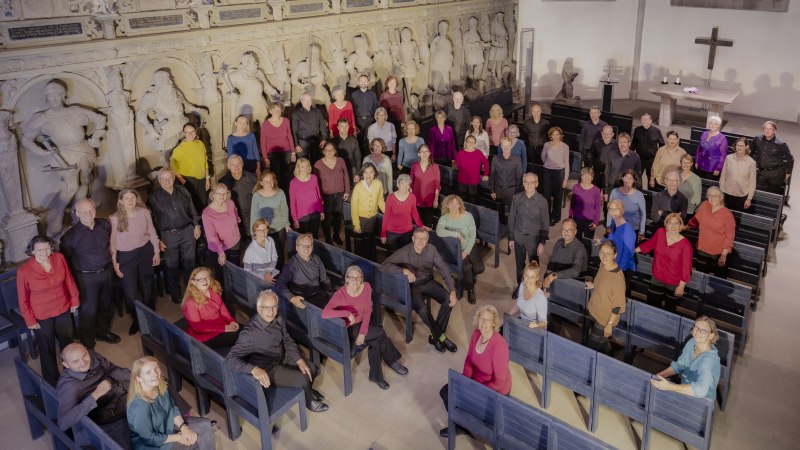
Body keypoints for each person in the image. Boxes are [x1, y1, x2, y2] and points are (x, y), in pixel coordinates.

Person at [225, 290, 329, 412]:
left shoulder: (278, 317)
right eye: (266, 307)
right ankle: (309, 402)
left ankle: (307, 390)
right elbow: (230, 359)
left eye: (274, 306)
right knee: (304, 378)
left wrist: (299, 361)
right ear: (259, 309)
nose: (271, 311)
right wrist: (253, 369)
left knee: (312, 368)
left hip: (281, 356)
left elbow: (287, 340)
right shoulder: (249, 333)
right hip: (267, 368)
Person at [323, 266, 408, 390]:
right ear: (347, 279)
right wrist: (347, 314)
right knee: (380, 333)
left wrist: (363, 333)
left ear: (362, 278)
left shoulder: (367, 287)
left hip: (364, 323)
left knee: (376, 341)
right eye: (352, 277)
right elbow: (325, 313)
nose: (355, 280)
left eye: (358, 277)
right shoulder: (340, 294)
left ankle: (375, 376)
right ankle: (391, 361)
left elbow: (368, 310)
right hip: (351, 328)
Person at [438, 305, 511, 438]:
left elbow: (499, 383)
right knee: (446, 391)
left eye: (488, 320)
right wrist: (464, 382)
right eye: (481, 318)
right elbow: (469, 361)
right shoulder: (476, 334)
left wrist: (476, 390)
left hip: (495, 391)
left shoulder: (499, 346)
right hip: (476, 382)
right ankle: (461, 426)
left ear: (494, 323)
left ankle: (464, 425)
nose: (483, 323)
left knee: (466, 402)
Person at [383, 228, 459, 353]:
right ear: (413, 238)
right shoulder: (404, 251)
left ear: (427, 239)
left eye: (424, 238)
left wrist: (452, 291)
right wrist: (404, 271)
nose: (420, 241)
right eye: (418, 238)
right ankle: (442, 337)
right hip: (412, 286)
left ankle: (435, 337)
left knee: (448, 299)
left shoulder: (432, 249)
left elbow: (444, 269)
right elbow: (385, 265)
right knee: (423, 309)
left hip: (428, 282)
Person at [18, 235, 79, 385]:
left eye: (46, 248)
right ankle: (53, 382)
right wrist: (30, 320)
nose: (44, 252)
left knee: (68, 344)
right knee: (47, 349)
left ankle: (71, 376)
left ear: (51, 248)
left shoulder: (59, 258)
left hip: (62, 308)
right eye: (39, 249)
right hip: (42, 315)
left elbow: (69, 280)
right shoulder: (24, 271)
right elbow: (23, 299)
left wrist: (74, 299)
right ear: (32, 251)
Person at [60, 199, 119, 349]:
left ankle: (103, 332)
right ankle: (88, 342)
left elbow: (111, 245)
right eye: (83, 212)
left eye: (91, 210)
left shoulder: (104, 225)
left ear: (95, 209)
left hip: (106, 271)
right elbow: (66, 263)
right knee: (89, 311)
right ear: (77, 214)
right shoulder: (70, 237)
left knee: (107, 305)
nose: (88, 214)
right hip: (86, 277)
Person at [127, 357, 215, 449]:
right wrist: (179, 437)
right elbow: (149, 438)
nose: (155, 374)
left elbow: (172, 409)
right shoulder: (139, 407)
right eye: (148, 372)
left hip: (168, 427)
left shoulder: (159, 385)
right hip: (154, 444)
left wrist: (184, 428)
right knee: (193, 442)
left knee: (205, 425)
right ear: (138, 379)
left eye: (156, 368)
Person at [57, 343, 131, 449]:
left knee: (158, 397)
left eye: (84, 355)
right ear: (66, 365)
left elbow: (112, 369)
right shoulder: (70, 386)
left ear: (86, 350)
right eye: (75, 361)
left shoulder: (92, 355)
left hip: (121, 394)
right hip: (109, 416)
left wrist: (136, 376)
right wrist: (95, 395)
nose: (83, 362)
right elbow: (63, 423)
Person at [149, 168, 202, 305]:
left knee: (190, 264)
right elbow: (152, 221)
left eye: (169, 178)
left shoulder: (183, 191)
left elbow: (192, 208)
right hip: (168, 235)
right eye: (163, 179)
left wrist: (197, 225)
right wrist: (158, 239)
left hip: (187, 232)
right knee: (172, 266)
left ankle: (192, 291)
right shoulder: (154, 197)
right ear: (159, 181)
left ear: (173, 178)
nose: (167, 181)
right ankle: (175, 293)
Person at [110, 190, 160, 336]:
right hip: (126, 256)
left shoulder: (144, 212)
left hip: (145, 251)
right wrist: (115, 261)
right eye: (127, 198)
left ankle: (150, 318)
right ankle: (138, 320)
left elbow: (152, 231)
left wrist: (156, 251)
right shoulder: (114, 218)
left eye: (133, 197)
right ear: (121, 201)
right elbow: (112, 242)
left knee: (147, 287)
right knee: (130, 292)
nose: (130, 200)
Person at [651, 316, 721, 400]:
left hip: (701, 401)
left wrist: (670, 387)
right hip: (683, 389)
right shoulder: (692, 343)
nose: (698, 332)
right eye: (697, 327)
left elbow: (701, 391)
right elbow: (679, 366)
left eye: (703, 330)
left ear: (711, 335)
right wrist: (658, 376)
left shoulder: (709, 361)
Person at [636, 213, 693, 313]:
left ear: (680, 226)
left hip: (674, 282)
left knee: (669, 311)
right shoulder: (660, 233)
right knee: (651, 307)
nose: (673, 226)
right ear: (666, 225)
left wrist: (681, 286)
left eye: (676, 223)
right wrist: (632, 251)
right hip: (657, 277)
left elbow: (686, 268)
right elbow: (649, 245)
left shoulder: (686, 245)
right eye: (670, 223)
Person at [508, 173, 550, 299]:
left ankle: (533, 289)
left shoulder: (542, 201)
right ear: (523, 182)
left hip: (534, 239)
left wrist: (542, 242)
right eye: (526, 182)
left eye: (532, 182)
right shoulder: (517, 198)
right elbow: (512, 218)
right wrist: (511, 238)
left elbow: (545, 223)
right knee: (519, 264)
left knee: (533, 266)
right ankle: (520, 287)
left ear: (537, 184)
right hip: (518, 237)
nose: (529, 185)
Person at [437, 195, 483, 304]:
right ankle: (470, 289)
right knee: (467, 268)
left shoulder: (468, 216)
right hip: (455, 250)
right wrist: (456, 233)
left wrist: (466, 251)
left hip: (469, 245)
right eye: (451, 204)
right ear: (447, 205)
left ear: (460, 204)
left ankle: (468, 278)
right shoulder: (444, 218)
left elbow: (473, 235)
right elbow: (439, 231)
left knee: (480, 268)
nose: (454, 206)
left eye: (456, 203)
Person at [182, 267, 240, 350]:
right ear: (193, 282)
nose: (205, 281)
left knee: (246, 332)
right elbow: (198, 328)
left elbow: (223, 310)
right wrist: (224, 328)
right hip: (205, 335)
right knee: (243, 336)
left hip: (220, 324)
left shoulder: (213, 290)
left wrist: (231, 321)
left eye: (206, 277)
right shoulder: (190, 302)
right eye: (200, 279)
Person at [585, 240, 626, 355]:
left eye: (608, 254)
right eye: (602, 252)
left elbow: (617, 306)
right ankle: (608, 352)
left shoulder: (617, 278)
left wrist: (609, 324)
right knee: (598, 343)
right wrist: (594, 285)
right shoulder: (603, 265)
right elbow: (603, 284)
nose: (604, 256)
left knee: (590, 347)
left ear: (615, 255)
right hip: (594, 310)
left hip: (605, 319)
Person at [276, 233, 335, 310]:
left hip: (318, 294)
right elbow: (280, 284)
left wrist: (331, 295)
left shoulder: (316, 259)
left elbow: (324, 279)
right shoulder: (291, 265)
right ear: (297, 248)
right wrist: (292, 298)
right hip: (303, 300)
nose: (307, 248)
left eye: (309, 245)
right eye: (303, 246)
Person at [687, 187, 735, 278]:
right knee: (701, 275)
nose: (712, 198)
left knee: (717, 279)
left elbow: (730, 237)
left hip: (718, 252)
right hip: (702, 248)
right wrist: (686, 227)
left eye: (715, 196)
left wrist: (723, 255)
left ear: (721, 197)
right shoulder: (705, 205)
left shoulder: (727, 214)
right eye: (709, 196)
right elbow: (695, 219)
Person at [250, 171, 290, 270]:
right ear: (261, 182)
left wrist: (286, 224)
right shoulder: (256, 196)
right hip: (263, 231)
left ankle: (279, 273)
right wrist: (253, 234)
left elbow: (284, 210)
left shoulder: (280, 193)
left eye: (271, 181)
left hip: (278, 229)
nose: (269, 183)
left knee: (279, 253)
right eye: (266, 181)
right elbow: (254, 215)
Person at [202, 183, 242, 284]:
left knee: (235, 270)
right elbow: (211, 236)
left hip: (235, 242)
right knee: (221, 275)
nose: (222, 196)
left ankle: (235, 292)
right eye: (219, 193)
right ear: (213, 194)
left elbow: (235, 213)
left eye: (224, 193)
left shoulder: (230, 203)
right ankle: (222, 297)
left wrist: (236, 222)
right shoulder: (207, 213)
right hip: (219, 250)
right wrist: (220, 252)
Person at [170, 123, 210, 213]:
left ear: (196, 132)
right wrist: (183, 182)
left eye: (192, 131)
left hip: (202, 178)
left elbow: (205, 162)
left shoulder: (200, 144)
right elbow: (173, 169)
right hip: (188, 180)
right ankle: (195, 225)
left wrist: (207, 178)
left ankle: (204, 223)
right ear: (184, 133)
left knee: (203, 203)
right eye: (187, 132)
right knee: (192, 205)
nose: (190, 134)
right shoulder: (178, 149)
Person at [314, 143, 350, 244]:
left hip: (339, 193)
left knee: (337, 215)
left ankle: (336, 235)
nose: (329, 152)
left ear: (335, 151)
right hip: (325, 195)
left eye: (331, 150)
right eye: (327, 150)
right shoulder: (318, 164)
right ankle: (328, 238)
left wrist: (347, 190)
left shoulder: (340, 161)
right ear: (323, 151)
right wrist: (319, 197)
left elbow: (346, 175)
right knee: (327, 217)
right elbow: (316, 183)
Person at [350, 163, 386, 261]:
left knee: (369, 240)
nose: (368, 175)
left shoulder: (378, 184)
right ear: (362, 173)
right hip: (360, 219)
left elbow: (380, 200)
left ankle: (369, 260)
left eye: (371, 172)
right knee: (359, 241)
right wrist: (356, 224)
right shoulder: (358, 187)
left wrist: (386, 212)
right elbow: (354, 207)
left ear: (375, 173)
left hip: (372, 218)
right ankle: (360, 261)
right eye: (365, 172)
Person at [381, 174, 424, 253]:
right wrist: (383, 234)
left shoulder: (412, 197)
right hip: (392, 233)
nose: (405, 187)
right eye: (403, 184)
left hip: (407, 232)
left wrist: (420, 226)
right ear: (397, 184)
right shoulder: (390, 198)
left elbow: (415, 213)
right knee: (392, 255)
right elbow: (386, 216)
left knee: (404, 254)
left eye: (407, 185)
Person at [542, 218, 588, 290]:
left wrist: (554, 275)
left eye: (569, 230)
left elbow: (575, 271)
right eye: (564, 229)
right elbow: (552, 263)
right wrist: (545, 281)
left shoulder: (579, 249)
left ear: (575, 231)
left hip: (570, 284)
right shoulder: (559, 242)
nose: (566, 232)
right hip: (556, 280)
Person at [219, 155, 257, 239]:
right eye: (233, 164)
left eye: (238, 164)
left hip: (251, 214)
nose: (236, 167)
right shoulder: (223, 181)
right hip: (233, 217)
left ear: (242, 164)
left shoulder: (252, 178)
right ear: (228, 166)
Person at [752, 120, 793, 195]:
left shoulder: (781, 144)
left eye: (770, 129)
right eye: (765, 128)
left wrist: (788, 173)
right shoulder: (757, 139)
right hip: (762, 172)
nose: (767, 130)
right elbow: (751, 152)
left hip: (776, 174)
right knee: (759, 194)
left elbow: (790, 159)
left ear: (775, 131)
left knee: (773, 196)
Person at [260, 103, 295, 191]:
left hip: (286, 152)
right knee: (276, 176)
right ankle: (278, 194)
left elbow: (290, 136)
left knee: (287, 175)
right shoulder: (265, 124)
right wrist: (265, 158)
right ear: (270, 111)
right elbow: (263, 142)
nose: (277, 112)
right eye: (275, 110)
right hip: (272, 154)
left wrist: (293, 152)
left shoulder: (286, 121)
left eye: (279, 110)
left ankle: (287, 194)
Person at [604, 199, 637, 290]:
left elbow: (627, 254)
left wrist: (617, 271)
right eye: (610, 209)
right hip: (614, 262)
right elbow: (612, 238)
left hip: (624, 268)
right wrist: (603, 241)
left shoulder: (627, 230)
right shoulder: (614, 222)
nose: (612, 212)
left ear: (622, 210)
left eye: (616, 209)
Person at [490, 136, 523, 223]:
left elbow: (519, 177)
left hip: (512, 190)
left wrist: (517, 193)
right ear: (501, 146)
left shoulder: (517, 160)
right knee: (499, 212)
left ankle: (511, 231)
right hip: (498, 189)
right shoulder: (495, 158)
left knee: (512, 213)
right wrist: (492, 190)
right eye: (504, 146)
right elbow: (492, 175)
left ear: (511, 146)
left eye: (508, 146)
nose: (506, 148)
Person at [541, 126, 570, 225]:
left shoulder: (565, 147)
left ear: (560, 135)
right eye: (553, 134)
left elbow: (567, 163)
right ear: (550, 136)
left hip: (559, 172)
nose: (555, 136)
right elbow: (542, 158)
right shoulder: (546, 145)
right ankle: (546, 216)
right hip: (547, 171)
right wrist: (549, 164)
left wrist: (565, 179)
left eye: (557, 134)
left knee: (558, 196)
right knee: (546, 195)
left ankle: (555, 216)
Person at [289, 157, 324, 238]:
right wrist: (295, 219)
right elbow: (292, 202)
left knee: (315, 237)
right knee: (304, 238)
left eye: (307, 166)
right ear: (298, 168)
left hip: (315, 212)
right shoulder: (293, 182)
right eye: (302, 166)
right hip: (302, 215)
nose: (305, 168)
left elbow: (318, 195)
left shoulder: (314, 177)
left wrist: (321, 211)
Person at [719, 137, 757, 212]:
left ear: (747, 147)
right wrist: (721, 191)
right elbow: (723, 175)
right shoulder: (729, 158)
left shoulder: (751, 162)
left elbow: (752, 182)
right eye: (737, 145)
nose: (739, 148)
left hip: (741, 196)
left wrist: (749, 199)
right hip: (726, 193)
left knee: (736, 219)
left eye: (741, 146)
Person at [607, 170, 647, 239]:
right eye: (626, 177)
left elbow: (643, 215)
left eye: (630, 178)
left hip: (632, 229)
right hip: (616, 227)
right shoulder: (614, 192)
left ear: (634, 180)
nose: (628, 180)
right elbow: (610, 211)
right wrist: (608, 226)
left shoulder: (639, 195)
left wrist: (641, 232)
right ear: (622, 178)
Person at [569, 167, 602, 248]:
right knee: (576, 241)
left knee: (588, 243)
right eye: (584, 175)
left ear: (592, 177)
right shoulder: (576, 187)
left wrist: (596, 222)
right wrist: (570, 217)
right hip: (577, 219)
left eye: (589, 176)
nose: (587, 178)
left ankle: (586, 259)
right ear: (581, 176)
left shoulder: (596, 190)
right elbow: (572, 203)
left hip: (589, 221)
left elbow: (598, 207)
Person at [508, 262, 548, 329]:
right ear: (523, 275)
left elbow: (544, 323)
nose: (528, 280)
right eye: (526, 275)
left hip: (535, 329)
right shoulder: (522, 285)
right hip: (523, 324)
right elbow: (518, 305)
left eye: (532, 277)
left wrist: (536, 325)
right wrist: (505, 318)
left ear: (537, 278)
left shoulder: (540, 298)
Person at [292, 92, 328, 163]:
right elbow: (294, 131)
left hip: (316, 142)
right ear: (301, 101)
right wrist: (296, 145)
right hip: (302, 144)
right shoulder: (296, 114)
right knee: (302, 163)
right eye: (305, 100)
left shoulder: (317, 112)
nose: (307, 102)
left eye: (309, 100)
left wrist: (324, 139)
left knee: (316, 163)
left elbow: (322, 126)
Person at [410, 145, 441, 227]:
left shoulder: (435, 167)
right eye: (422, 152)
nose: (424, 153)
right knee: (415, 224)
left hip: (429, 201)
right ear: (418, 154)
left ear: (429, 153)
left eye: (426, 151)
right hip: (416, 200)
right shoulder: (414, 166)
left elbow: (437, 186)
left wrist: (436, 199)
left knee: (427, 225)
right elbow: (411, 183)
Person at [605, 132, 642, 199]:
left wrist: (637, 193)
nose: (622, 145)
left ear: (629, 143)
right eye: (620, 142)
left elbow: (638, 176)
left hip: (627, 189)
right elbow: (607, 172)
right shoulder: (612, 154)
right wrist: (605, 191)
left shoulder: (635, 157)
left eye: (624, 142)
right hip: (612, 187)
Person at [455, 135, 490, 204]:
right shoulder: (460, 153)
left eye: (473, 142)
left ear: (475, 144)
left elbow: (486, 163)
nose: (471, 144)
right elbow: (457, 164)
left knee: (473, 199)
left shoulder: (478, 153)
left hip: (473, 180)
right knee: (462, 199)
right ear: (466, 143)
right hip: (462, 179)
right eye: (469, 142)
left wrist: (486, 174)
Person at [243, 219, 279, 284]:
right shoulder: (250, 250)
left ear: (268, 230)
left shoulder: (270, 240)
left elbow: (274, 258)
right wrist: (263, 278)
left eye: (265, 229)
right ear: (255, 232)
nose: (263, 232)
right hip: (256, 278)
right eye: (259, 230)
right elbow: (247, 271)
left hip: (270, 272)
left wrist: (269, 272)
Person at [631, 113, 665, 184]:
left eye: (646, 119)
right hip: (639, 159)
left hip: (652, 160)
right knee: (637, 178)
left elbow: (662, 144)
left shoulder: (656, 131)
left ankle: (650, 193)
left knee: (651, 179)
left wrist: (660, 157)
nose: (644, 121)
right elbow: (634, 143)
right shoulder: (637, 130)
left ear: (650, 121)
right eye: (642, 120)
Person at [351, 74, 379, 155]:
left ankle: (369, 158)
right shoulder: (354, 95)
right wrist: (354, 124)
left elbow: (376, 108)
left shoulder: (373, 94)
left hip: (370, 120)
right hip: (358, 120)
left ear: (368, 82)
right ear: (358, 82)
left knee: (369, 140)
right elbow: (352, 110)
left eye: (365, 81)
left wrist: (375, 121)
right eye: (361, 81)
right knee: (358, 140)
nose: (363, 83)